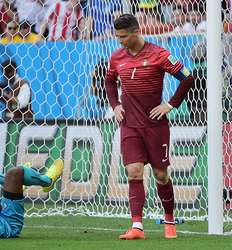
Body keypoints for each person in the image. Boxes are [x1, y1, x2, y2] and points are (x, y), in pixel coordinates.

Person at [104, 14, 194, 240]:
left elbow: (187, 77)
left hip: (155, 126)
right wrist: (115, 105)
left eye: (123, 36)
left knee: (161, 175)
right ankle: (137, 227)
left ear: (136, 32)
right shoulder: (116, 58)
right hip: (129, 125)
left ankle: (170, 220)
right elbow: (109, 81)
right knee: (134, 171)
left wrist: (170, 104)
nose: (120, 40)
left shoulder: (159, 55)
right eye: (117, 36)